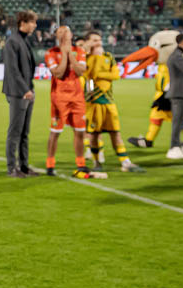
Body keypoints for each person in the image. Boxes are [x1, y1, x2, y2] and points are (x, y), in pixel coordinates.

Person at [82, 30, 142, 172]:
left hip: (109, 101)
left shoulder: (108, 56)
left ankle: (125, 162)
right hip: (94, 102)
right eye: (94, 40)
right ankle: (97, 163)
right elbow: (89, 76)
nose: (98, 42)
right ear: (87, 42)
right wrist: (97, 62)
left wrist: (101, 75)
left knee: (116, 133)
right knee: (95, 135)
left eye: (99, 39)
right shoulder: (85, 58)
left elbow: (116, 74)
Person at [44, 25, 90, 178]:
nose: (63, 34)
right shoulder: (51, 53)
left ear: (71, 34)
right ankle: (50, 164)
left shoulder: (80, 51)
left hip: (77, 98)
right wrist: (64, 55)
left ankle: (81, 163)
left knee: (80, 131)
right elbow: (58, 73)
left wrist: (70, 55)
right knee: (55, 132)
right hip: (59, 98)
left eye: (66, 31)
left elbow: (80, 71)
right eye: (60, 32)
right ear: (56, 36)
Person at [1, 10, 38, 177]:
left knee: (25, 132)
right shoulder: (12, 42)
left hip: (27, 91)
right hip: (19, 93)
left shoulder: (23, 41)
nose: (35, 25)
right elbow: (13, 71)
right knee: (15, 132)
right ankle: (12, 168)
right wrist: (25, 90)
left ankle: (24, 166)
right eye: (32, 22)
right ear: (22, 23)